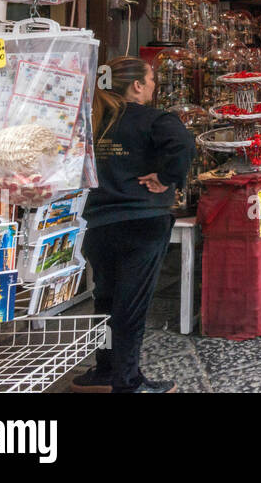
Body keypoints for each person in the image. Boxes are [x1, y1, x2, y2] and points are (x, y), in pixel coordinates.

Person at [73, 57, 195, 394]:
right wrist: (167, 177)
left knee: (106, 299)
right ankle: (127, 382)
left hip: (97, 222)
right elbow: (184, 144)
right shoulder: (154, 119)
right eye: (151, 79)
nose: (154, 85)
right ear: (137, 85)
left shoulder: (92, 121)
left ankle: (104, 370)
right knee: (131, 305)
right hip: (141, 222)